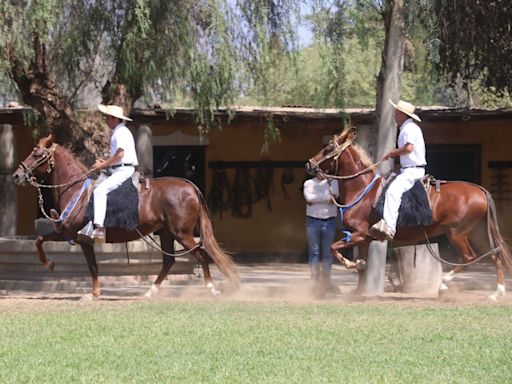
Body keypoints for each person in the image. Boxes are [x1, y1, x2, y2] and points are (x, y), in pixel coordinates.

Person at [79, 104, 138, 240]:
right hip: (118, 168)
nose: (106, 120)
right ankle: (90, 224)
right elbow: (116, 157)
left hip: (124, 170)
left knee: (99, 191)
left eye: (107, 117)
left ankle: (99, 228)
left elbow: (119, 155)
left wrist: (102, 165)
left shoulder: (121, 132)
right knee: (95, 186)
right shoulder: (118, 132)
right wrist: (104, 161)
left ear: (114, 119)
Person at [370, 99, 426, 241]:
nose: (394, 114)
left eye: (396, 112)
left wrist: (392, 153)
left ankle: (389, 227)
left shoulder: (410, 129)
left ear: (402, 114)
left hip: (412, 171)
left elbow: (409, 148)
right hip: (408, 169)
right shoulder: (407, 128)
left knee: (392, 192)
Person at [303, 173, 339, 291]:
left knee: (328, 252)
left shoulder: (333, 182)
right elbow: (309, 198)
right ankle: (314, 280)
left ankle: (326, 280)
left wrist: (316, 199)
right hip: (312, 221)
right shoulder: (309, 183)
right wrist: (327, 198)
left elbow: (334, 197)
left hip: (329, 221)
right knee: (314, 252)